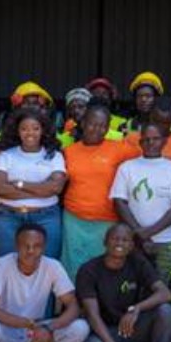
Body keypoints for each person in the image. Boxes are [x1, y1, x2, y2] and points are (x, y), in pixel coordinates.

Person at [77, 223, 171, 342]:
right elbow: (93, 315)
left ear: (131, 245)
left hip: (133, 327)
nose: (120, 243)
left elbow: (165, 294)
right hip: (106, 331)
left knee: (165, 311)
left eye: (125, 239)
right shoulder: (89, 270)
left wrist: (136, 309)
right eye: (115, 238)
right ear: (105, 241)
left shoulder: (137, 262)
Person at [62, 104, 139, 279]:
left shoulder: (120, 149)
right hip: (74, 220)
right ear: (82, 123)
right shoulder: (69, 152)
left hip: (107, 221)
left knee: (102, 270)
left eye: (103, 125)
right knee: (73, 268)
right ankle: (73, 305)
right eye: (92, 123)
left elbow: (145, 161)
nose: (97, 129)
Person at [112, 121, 171, 276]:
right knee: (133, 286)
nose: (151, 143)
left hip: (168, 241)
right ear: (140, 142)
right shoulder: (127, 167)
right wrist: (138, 233)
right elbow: (119, 202)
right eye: (146, 139)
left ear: (164, 141)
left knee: (168, 287)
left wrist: (147, 233)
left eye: (156, 138)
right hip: (134, 241)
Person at [0, 108, 67, 259]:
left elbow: (56, 188)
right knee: (6, 264)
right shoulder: (6, 155)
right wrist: (42, 188)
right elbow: (0, 188)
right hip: (8, 216)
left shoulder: (54, 156)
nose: (30, 133)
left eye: (35, 128)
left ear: (43, 130)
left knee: (46, 264)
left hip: (46, 217)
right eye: (24, 129)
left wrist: (19, 184)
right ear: (17, 131)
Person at [123, 95, 171, 170]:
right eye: (156, 121)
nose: (160, 127)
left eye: (165, 123)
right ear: (150, 117)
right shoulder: (131, 140)